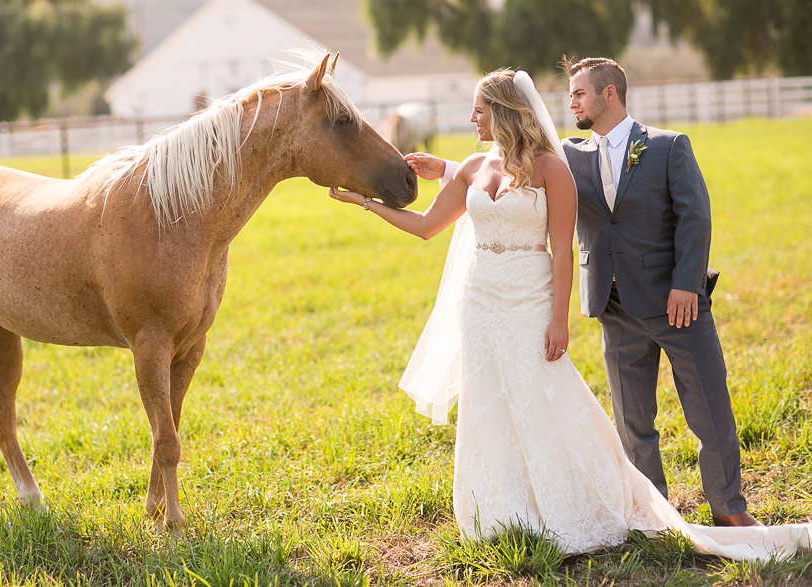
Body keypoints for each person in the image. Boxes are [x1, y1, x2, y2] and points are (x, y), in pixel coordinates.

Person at [330, 68, 811, 559]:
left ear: (504, 111)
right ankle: (536, 508)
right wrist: (368, 200)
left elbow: (587, 243)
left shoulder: (602, 159)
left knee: (615, 403)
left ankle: (691, 505)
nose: (471, 118)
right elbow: (440, 215)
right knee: (542, 409)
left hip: (592, 301)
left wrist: (567, 316)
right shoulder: (515, 161)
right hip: (520, 305)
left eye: (479, 109)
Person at [413, 58, 754, 528]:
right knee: (633, 423)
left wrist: (685, 284)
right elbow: (512, 166)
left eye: (578, 94)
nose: (569, 102)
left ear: (609, 93)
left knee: (708, 408)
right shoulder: (570, 155)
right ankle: (651, 511)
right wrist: (448, 167)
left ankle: (729, 508)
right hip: (613, 306)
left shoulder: (667, 145)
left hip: (676, 303)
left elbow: (696, 217)